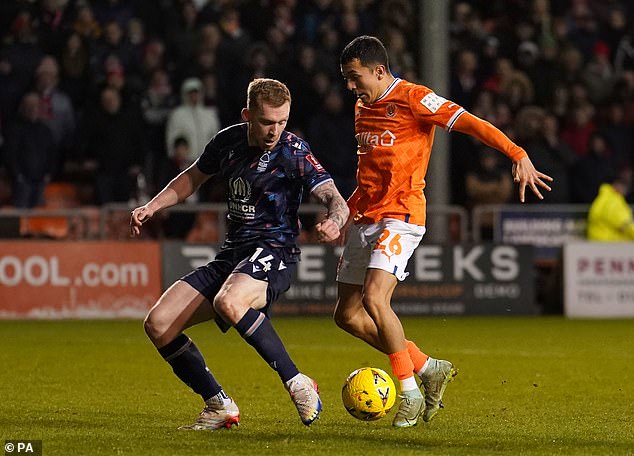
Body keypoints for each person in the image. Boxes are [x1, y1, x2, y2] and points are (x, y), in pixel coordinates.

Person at [335, 35, 553, 428]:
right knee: (347, 316)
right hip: (366, 216)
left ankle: (410, 392)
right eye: (346, 79)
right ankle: (428, 367)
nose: (350, 86)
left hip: (402, 213)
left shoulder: (415, 98)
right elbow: (368, 174)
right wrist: (343, 213)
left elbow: (473, 123)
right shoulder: (361, 107)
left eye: (354, 77)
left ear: (379, 71)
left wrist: (517, 154)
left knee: (374, 298)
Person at [130, 78, 349, 430]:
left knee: (229, 302)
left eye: (282, 121)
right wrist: (152, 206)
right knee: (158, 324)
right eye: (266, 122)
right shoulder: (227, 142)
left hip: (275, 251)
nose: (275, 130)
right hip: (233, 254)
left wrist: (336, 221)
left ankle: (298, 382)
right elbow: (191, 179)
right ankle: (219, 405)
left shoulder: (294, 151)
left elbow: (333, 197)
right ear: (248, 115)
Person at [587, 166, 634, 241]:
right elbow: (625, 225)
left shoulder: (603, 197)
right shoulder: (613, 201)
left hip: (598, 243)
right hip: (610, 245)